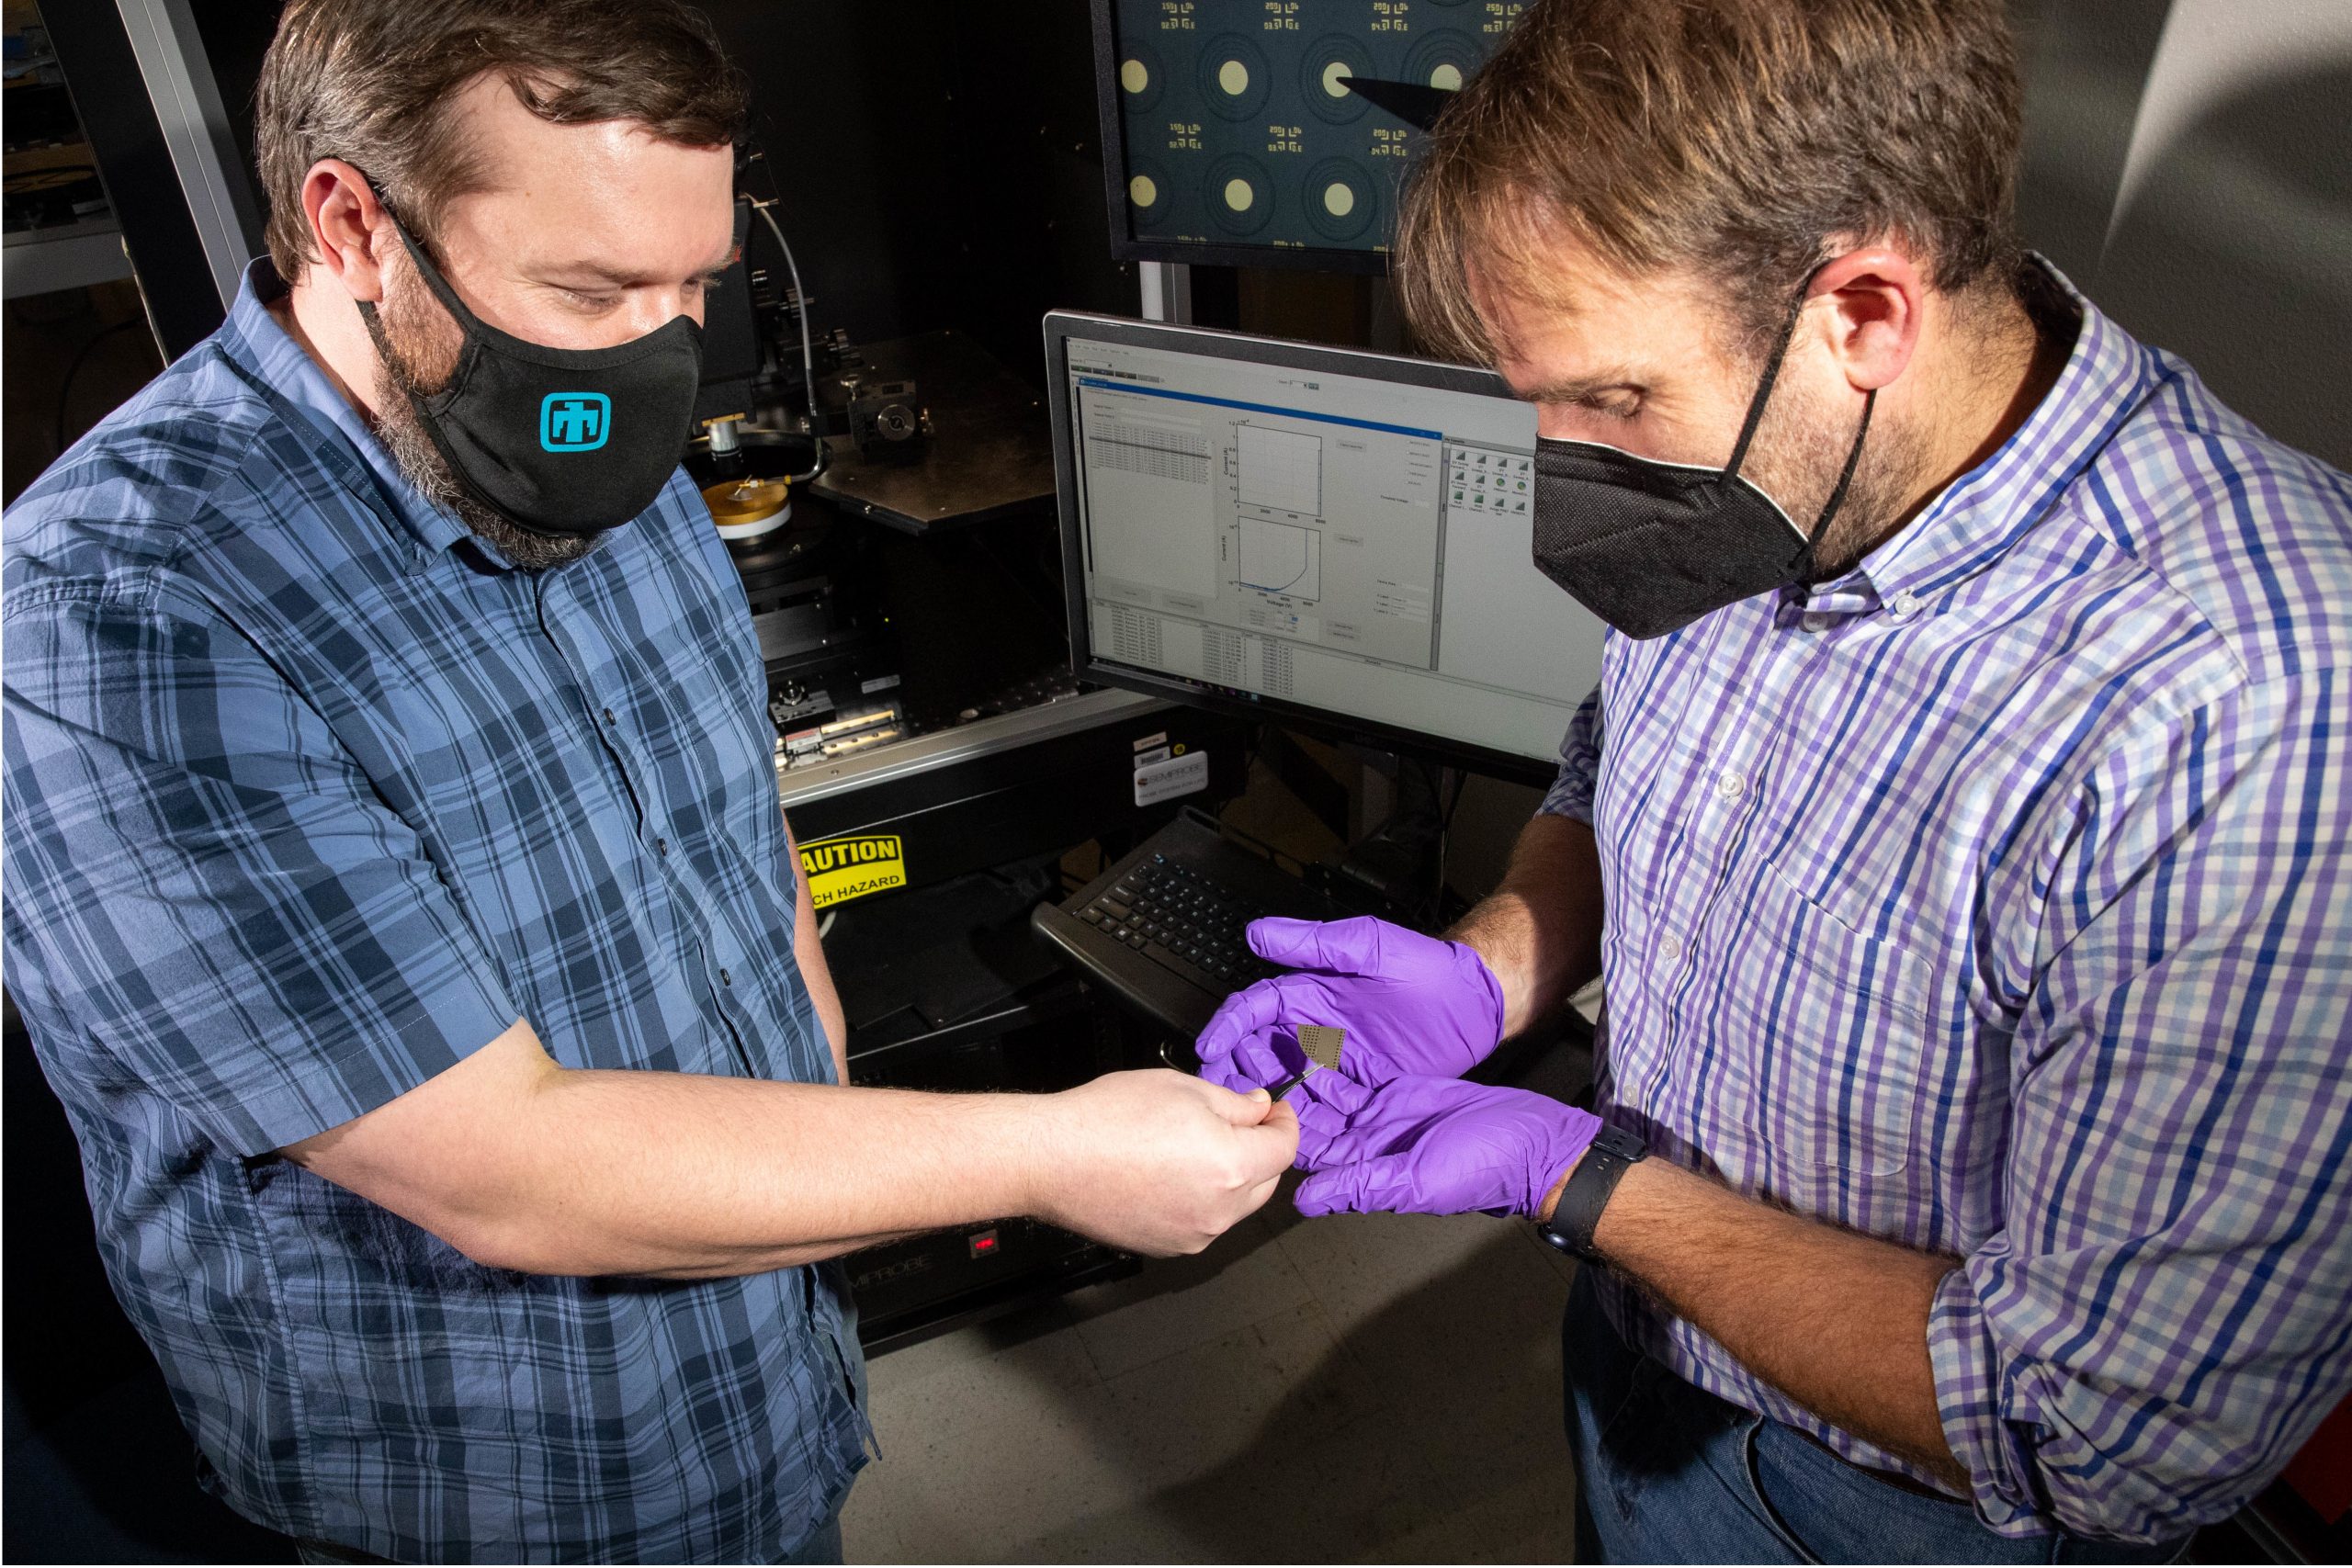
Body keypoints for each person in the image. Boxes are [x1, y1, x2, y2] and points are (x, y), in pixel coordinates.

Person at [0, 3, 1295, 1562]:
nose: (655, 357)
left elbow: (737, 850)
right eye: (593, 289)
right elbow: (507, 1165)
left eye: (689, 286)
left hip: (759, 1395)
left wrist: (807, 1054)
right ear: (352, 224)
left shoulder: (599, 453)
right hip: (485, 1501)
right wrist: (1051, 1152)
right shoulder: (117, 618)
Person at [1195, 0, 2351, 1561]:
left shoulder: (2249, 719)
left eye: (1609, 402)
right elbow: (1622, 765)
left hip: (1904, 1508)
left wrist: (1576, 1176)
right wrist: (1495, 972)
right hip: (1639, 1350)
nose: (1563, 458)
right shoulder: (1781, 460)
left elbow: (2093, 1433)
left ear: (1867, 313)